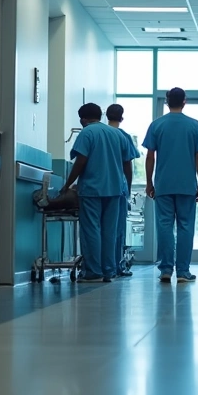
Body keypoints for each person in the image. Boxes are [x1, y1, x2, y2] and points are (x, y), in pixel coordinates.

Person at [142, 88, 198, 283]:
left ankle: (165, 269)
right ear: (184, 101)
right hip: (187, 185)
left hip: (163, 185)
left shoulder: (156, 125)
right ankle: (182, 271)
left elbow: (150, 156)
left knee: (164, 226)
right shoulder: (194, 125)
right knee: (185, 227)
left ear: (167, 101)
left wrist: (149, 182)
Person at [61, 103, 133, 282]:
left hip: (92, 189)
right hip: (115, 190)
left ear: (83, 119)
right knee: (110, 231)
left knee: (91, 229)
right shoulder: (118, 134)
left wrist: (68, 184)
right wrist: (128, 188)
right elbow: (127, 164)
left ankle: (93, 272)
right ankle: (109, 270)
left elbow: (81, 161)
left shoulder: (87, 133)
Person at [107, 103, 141, 277]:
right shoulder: (123, 136)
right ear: (121, 118)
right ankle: (115, 266)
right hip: (118, 188)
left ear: (106, 116)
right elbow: (127, 165)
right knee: (117, 229)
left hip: (96, 188)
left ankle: (98, 267)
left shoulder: (98, 134)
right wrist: (127, 187)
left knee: (96, 229)